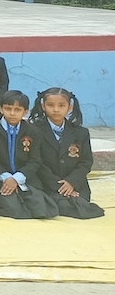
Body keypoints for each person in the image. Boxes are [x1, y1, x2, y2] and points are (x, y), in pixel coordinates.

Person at [0, 90, 58, 219]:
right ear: (1, 109)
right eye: (8, 108)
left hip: (26, 178)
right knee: (14, 210)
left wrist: (17, 178)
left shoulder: (32, 131)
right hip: (0, 178)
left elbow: (35, 160)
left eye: (17, 110)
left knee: (41, 209)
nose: (12, 113)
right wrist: (7, 178)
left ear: (25, 112)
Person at [31, 87, 104, 219]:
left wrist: (71, 182)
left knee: (79, 204)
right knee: (59, 205)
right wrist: (59, 186)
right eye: (50, 105)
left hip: (76, 186)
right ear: (43, 106)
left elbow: (86, 162)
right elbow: (37, 162)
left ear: (69, 108)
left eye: (61, 105)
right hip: (47, 184)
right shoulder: (34, 130)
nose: (56, 109)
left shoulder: (81, 132)